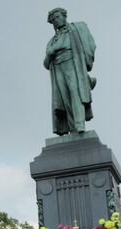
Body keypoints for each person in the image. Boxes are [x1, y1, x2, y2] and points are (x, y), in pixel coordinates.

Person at [44, 7, 96, 135]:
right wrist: (50, 54)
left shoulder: (78, 28)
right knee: (65, 99)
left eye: (58, 17)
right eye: (53, 19)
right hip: (58, 69)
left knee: (76, 93)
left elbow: (91, 45)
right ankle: (73, 128)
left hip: (73, 64)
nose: (56, 20)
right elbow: (46, 64)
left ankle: (80, 125)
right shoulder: (51, 42)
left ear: (64, 16)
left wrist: (85, 63)